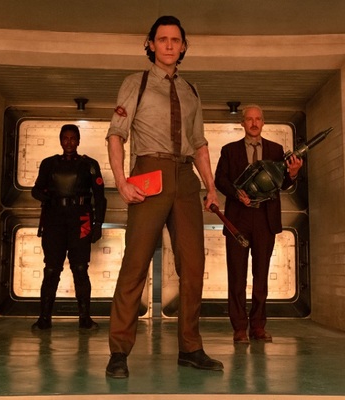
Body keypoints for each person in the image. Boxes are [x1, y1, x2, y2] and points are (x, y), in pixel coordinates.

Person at [105, 15, 223, 378]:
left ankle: (190, 347)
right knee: (136, 263)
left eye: (175, 40)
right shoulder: (136, 82)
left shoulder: (191, 90)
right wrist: (122, 181)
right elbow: (116, 135)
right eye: (162, 39)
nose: (169, 45)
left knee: (194, 266)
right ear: (151, 44)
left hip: (186, 177)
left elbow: (199, 143)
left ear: (183, 46)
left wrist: (211, 187)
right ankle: (119, 351)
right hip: (149, 173)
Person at [214, 104, 303, 344]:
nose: (254, 123)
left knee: (261, 276)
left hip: (265, 219)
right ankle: (239, 328)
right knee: (237, 276)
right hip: (238, 219)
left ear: (263, 122)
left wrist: (293, 174)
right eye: (249, 119)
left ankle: (258, 326)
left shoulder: (276, 150)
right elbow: (220, 179)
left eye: (258, 119)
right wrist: (236, 193)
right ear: (242, 123)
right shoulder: (229, 150)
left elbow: (282, 183)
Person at [31, 124, 106, 331]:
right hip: (54, 219)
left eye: (73, 138)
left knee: (80, 268)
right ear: (60, 140)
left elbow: (100, 197)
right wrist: (46, 196)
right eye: (65, 138)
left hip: (80, 220)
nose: (69, 142)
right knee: (51, 269)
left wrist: (98, 223)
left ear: (79, 141)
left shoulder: (89, 164)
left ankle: (85, 318)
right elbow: (36, 190)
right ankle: (44, 318)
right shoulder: (48, 164)